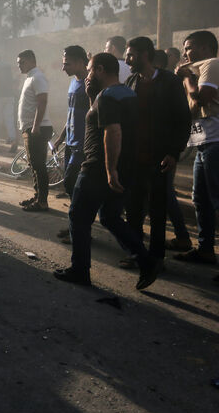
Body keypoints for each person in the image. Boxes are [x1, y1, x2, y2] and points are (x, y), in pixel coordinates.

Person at [53, 53, 160, 290]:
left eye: (91, 70)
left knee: (78, 216)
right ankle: (147, 260)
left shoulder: (108, 96)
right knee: (110, 217)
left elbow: (113, 131)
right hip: (124, 167)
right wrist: (92, 96)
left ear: (100, 70)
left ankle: (79, 270)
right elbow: (103, 120)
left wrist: (110, 170)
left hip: (98, 167)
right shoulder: (126, 94)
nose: (89, 75)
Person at [173, 31, 219, 283]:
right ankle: (205, 249)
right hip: (205, 142)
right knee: (200, 198)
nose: (185, 54)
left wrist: (188, 78)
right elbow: (193, 110)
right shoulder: (196, 70)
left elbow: (202, 97)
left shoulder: (213, 65)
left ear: (204, 47)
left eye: (189, 48)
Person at [119, 37, 191, 269]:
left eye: (130, 55)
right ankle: (137, 253)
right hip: (133, 158)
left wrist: (174, 152)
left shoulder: (169, 81)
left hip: (160, 157)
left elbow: (183, 119)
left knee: (158, 211)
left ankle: (157, 257)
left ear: (144, 55)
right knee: (133, 209)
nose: (127, 59)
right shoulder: (130, 81)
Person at [50, 46, 90, 243]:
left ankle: (81, 231)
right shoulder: (74, 84)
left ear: (81, 62)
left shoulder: (91, 84)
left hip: (84, 145)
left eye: (67, 63)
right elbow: (71, 114)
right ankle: (76, 227)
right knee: (71, 186)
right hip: (71, 142)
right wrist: (61, 138)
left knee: (75, 186)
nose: (63, 67)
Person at [16, 49, 53, 212]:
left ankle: (43, 202)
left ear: (31, 61)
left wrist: (36, 126)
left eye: (21, 62)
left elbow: (42, 102)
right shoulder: (30, 77)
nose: (19, 66)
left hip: (37, 128)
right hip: (31, 127)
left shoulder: (38, 77)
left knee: (38, 165)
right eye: (18, 63)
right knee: (34, 164)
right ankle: (38, 196)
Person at [0, 53, 18, 152]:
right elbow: (14, 81)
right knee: (9, 119)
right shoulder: (8, 66)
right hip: (10, 96)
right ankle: (13, 141)